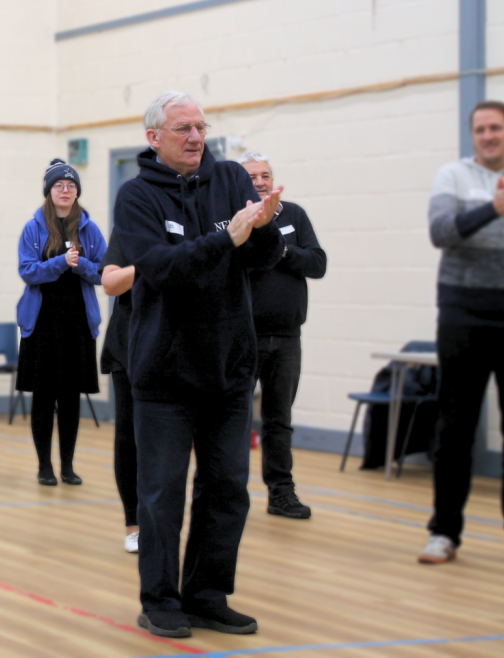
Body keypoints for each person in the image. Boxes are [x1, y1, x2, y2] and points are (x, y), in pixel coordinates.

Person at [115, 91, 284, 640]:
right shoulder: (136, 197)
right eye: (183, 127)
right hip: (164, 374)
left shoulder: (233, 180)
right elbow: (160, 268)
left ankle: (207, 594)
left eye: (201, 126)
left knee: (228, 488)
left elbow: (257, 261)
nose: (195, 137)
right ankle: (160, 600)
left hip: (229, 368)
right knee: (161, 494)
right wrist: (225, 239)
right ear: (154, 137)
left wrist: (261, 233)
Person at [421, 100, 504, 566]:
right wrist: (493, 209)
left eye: (495, 128)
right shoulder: (452, 176)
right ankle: (444, 532)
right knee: (456, 428)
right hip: (463, 318)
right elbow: (441, 231)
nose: (487, 135)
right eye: (480, 129)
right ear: (474, 136)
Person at [239, 152, 328, 520]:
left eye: (266, 175)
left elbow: (317, 263)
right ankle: (225, 492)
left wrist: (283, 249)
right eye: (252, 176)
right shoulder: (234, 220)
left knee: (279, 420)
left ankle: (281, 493)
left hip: (288, 337)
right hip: (243, 336)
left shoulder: (294, 215)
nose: (260, 181)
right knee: (234, 419)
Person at [16, 159, 106, 486]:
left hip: (77, 324)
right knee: (43, 396)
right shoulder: (34, 228)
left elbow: (103, 273)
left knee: (70, 398)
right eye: (59, 186)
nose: (65, 190)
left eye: (70, 186)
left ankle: (67, 465)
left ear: (77, 191)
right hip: (42, 324)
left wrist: (80, 264)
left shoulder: (90, 229)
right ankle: (44, 466)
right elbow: (27, 271)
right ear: (49, 191)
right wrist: (59, 262)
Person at [100, 230, 139, 554]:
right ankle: (134, 524)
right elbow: (110, 283)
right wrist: (152, 265)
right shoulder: (130, 225)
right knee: (128, 436)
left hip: (176, 347)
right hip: (128, 345)